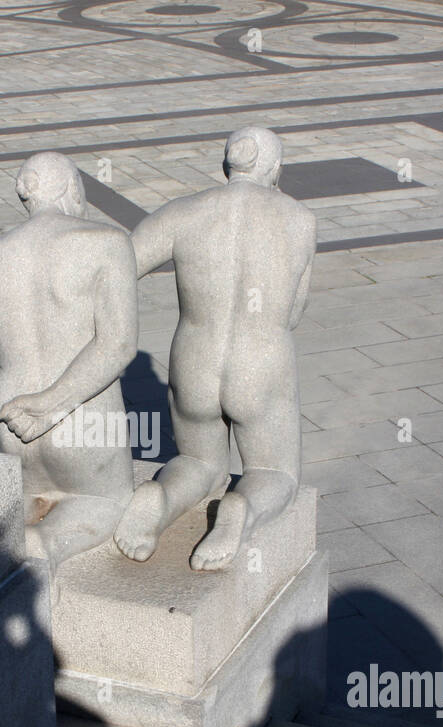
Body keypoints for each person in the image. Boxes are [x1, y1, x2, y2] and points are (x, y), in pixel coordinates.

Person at [113, 126, 315, 571]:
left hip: (194, 360)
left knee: (197, 460)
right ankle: (239, 511)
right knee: (273, 472)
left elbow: (118, 266)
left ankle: (159, 499)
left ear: (226, 167)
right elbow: (294, 313)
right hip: (260, 363)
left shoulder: (186, 212)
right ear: (275, 169)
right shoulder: (299, 219)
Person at [0, 152, 137, 590]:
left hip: (10, 416)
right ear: (67, 189)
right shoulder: (106, 242)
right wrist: (51, 406)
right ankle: (48, 547)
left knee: (24, 498)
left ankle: (8, 549)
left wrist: (27, 409)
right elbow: (117, 346)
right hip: (80, 416)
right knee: (105, 499)